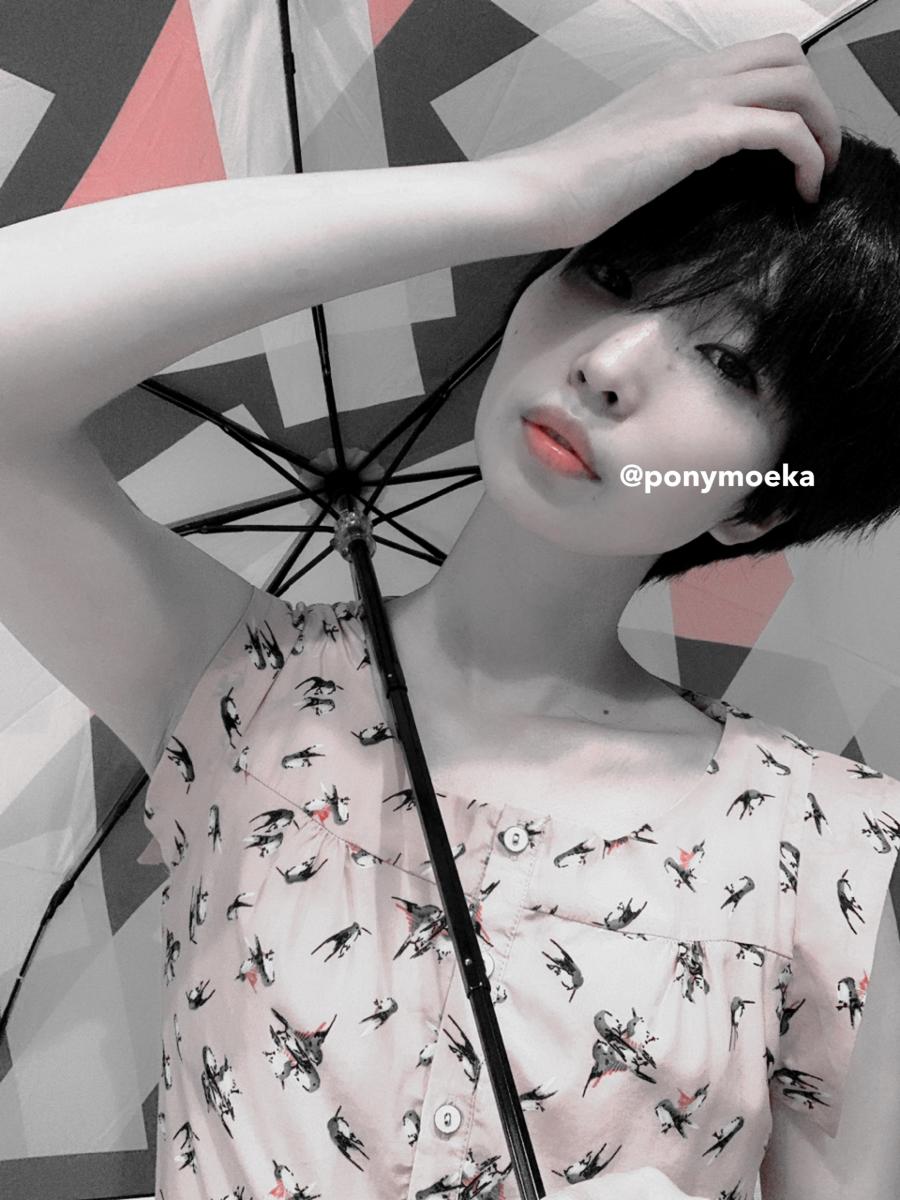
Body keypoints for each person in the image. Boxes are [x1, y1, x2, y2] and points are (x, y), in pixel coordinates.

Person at [1, 29, 899, 1200]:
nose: (610, 365)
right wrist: (534, 190)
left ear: (756, 504)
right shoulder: (241, 697)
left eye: (729, 366)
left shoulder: (824, 846)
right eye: (607, 275)